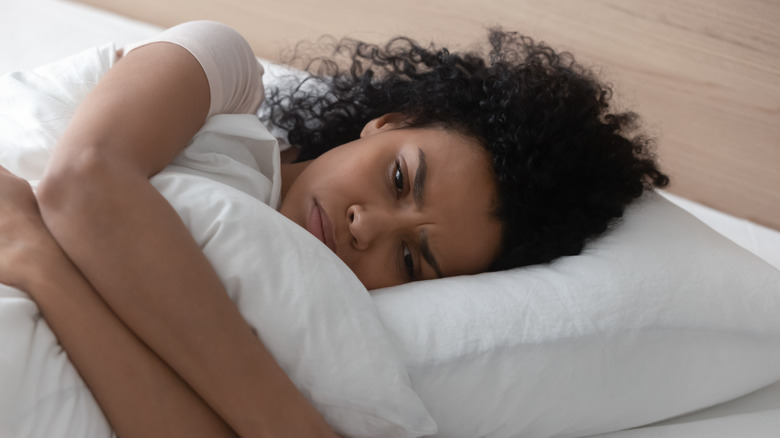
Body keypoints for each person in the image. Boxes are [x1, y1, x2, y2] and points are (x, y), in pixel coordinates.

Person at [0, 20, 667, 437]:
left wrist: (39, 262)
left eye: (412, 260)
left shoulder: (306, 329)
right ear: (389, 122)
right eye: (401, 179)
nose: (367, 225)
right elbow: (84, 178)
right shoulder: (222, 78)